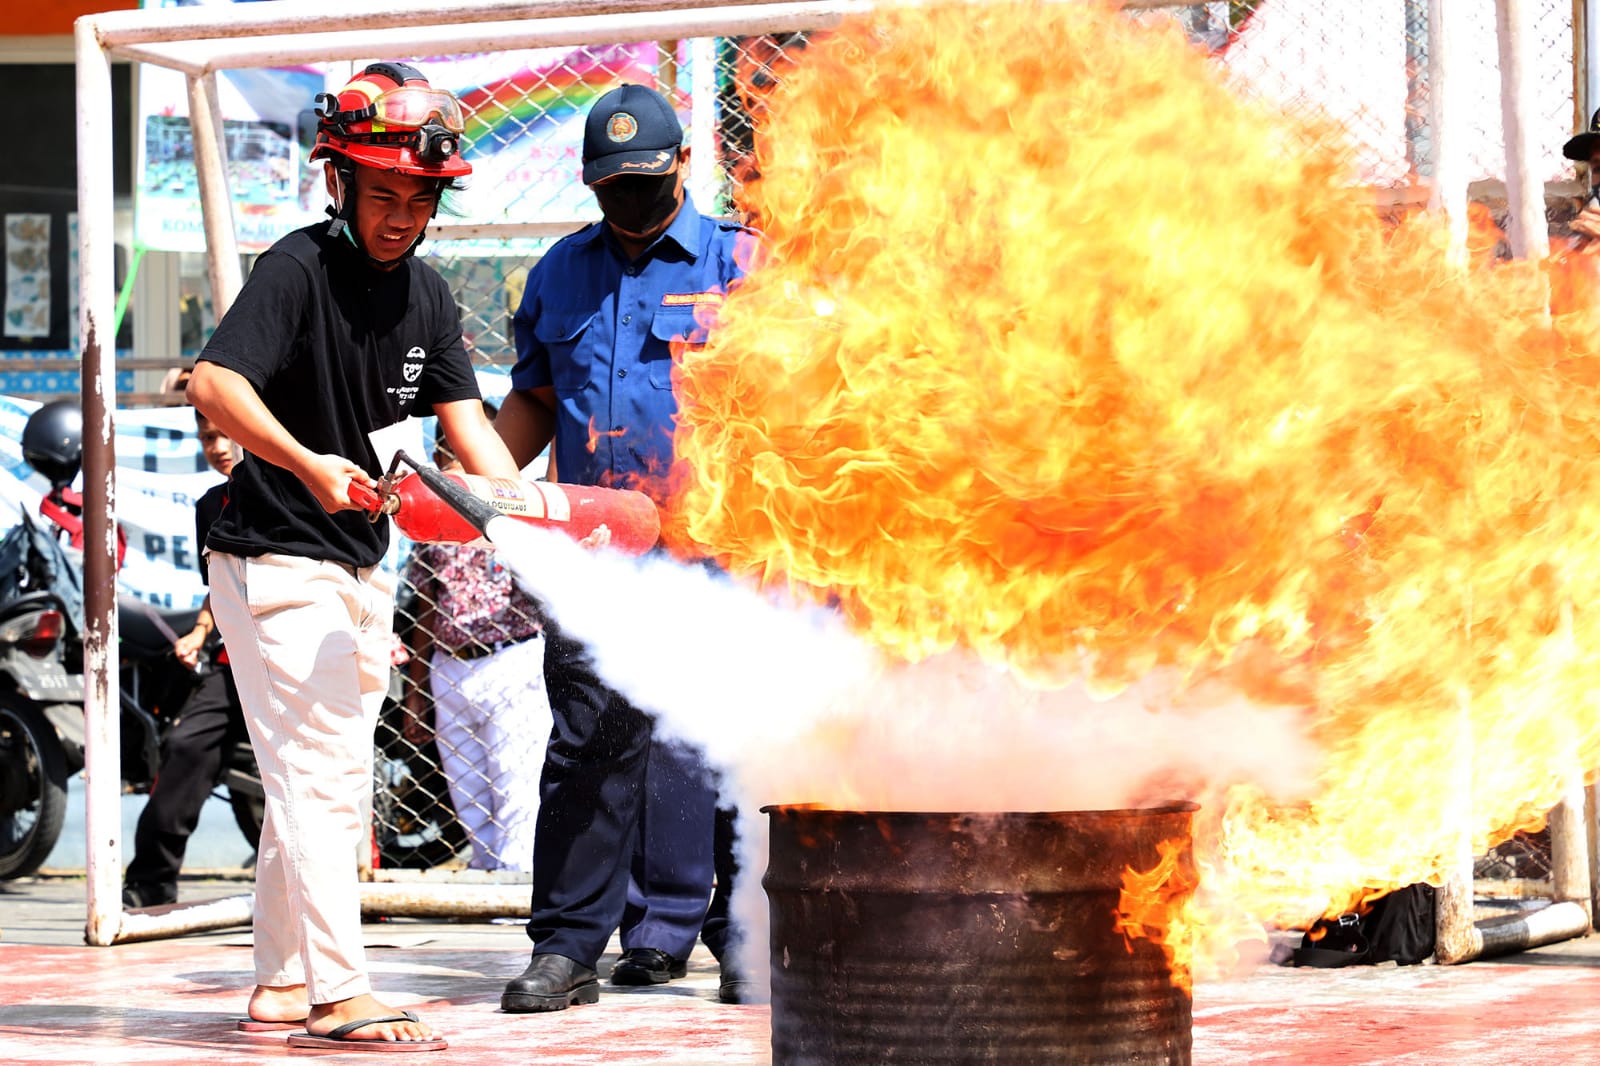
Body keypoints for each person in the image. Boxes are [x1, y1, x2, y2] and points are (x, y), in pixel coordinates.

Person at [186, 60, 522, 1051]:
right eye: (382, 195)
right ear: (337, 180)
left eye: (419, 199)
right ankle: (342, 991)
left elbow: (477, 440)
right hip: (274, 556)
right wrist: (305, 461)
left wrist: (530, 514)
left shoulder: (427, 297)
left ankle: (284, 983)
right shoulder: (294, 268)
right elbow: (213, 383)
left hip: (360, 564)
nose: (400, 217)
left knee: (314, 770)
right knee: (325, 779)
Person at [494, 82, 758, 1013]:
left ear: (683, 166)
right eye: (612, 192)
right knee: (586, 751)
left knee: (727, 750)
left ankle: (745, 945)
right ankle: (567, 948)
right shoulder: (561, 273)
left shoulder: (741, 264)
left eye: (645, 187)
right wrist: (479, 480)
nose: (630, 207)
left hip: (717, 557)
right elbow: (531, 400)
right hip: (599, 559)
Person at [401, 401, 550, 872]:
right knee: (468, 791)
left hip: (512, 657)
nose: (457, 460)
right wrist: (416, 690)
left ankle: (515, 890)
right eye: (449, 449)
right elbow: (426, 603)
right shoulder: (431, 522)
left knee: (515, 785)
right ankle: (488, 887)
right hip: (450, 663)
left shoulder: (524, 509)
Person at [121, 410, 245, 911]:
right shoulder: (211, 505)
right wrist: (199, 632)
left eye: (225, 434)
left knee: (279, 781)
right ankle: (149, 885)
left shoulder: (293, 490)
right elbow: (216, 587)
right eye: (207, 437)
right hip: (232, 664)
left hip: (292, 661)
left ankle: (321, 893)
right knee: (186, 748)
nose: (216, 446)